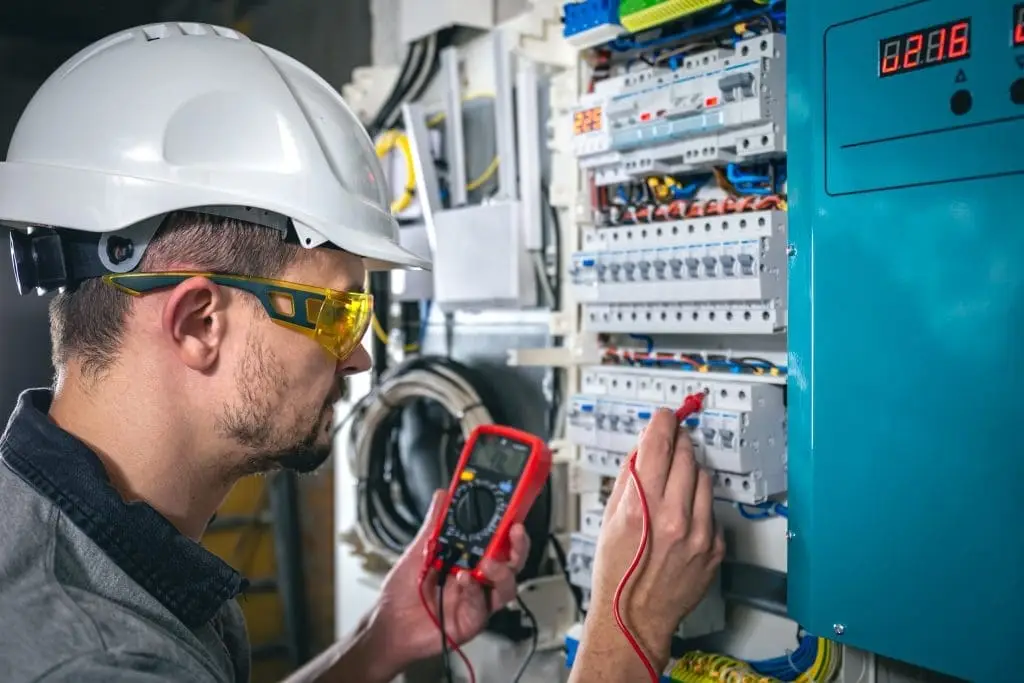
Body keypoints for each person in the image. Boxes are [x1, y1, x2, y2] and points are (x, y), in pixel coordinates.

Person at [0, 22, 723, 683]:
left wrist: (384, 637)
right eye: (340, 312)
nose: (358, 361)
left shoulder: (66, 542)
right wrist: (630, 625)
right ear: (199, 322)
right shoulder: (87, 659)